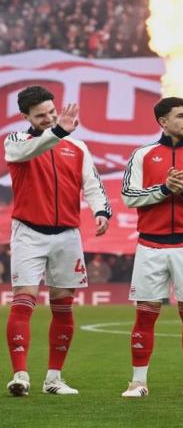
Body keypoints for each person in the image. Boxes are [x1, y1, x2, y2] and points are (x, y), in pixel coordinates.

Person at [4, 85, 112, 397]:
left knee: (63, 304)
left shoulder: (77, 147)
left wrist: (101, 211)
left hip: (67, 234)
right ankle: (20, 375)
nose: (50, 119)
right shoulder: (16, 141)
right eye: (41, 116)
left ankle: (54, 379)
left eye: (52, 112)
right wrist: (59, 132)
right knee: (24, 298)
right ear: (25, 117)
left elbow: (92, 183)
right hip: (28, 233)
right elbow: (29, 151)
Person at [121, 97, 183, 398]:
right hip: (150, 245)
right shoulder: (143, 155)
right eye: (181, 116)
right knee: (145, 314)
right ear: (163, 122)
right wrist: (164, 189)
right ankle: (138, 382)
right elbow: (129, 196)